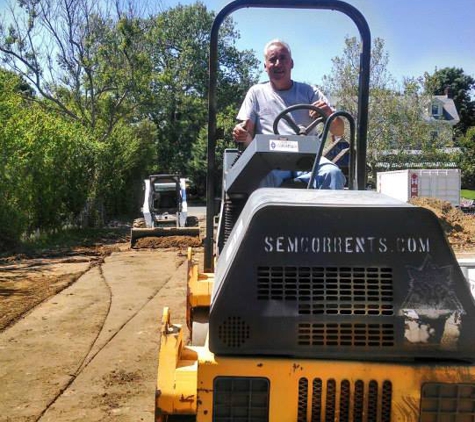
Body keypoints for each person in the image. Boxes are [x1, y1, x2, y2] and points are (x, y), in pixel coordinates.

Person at [232, 39, 346, 189]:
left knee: (332, 173)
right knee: (260, 175)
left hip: (308, 159)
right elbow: (248, 134)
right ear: (265, 66)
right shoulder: (256, 93)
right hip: (271, 159)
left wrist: (329, 113)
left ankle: (327, 213)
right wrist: (243, 135)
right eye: (272, 60)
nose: (278, 63)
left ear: (291, 63)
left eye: (283, 58)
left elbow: (339, 131)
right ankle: (270, 212)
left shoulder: (310, 92)